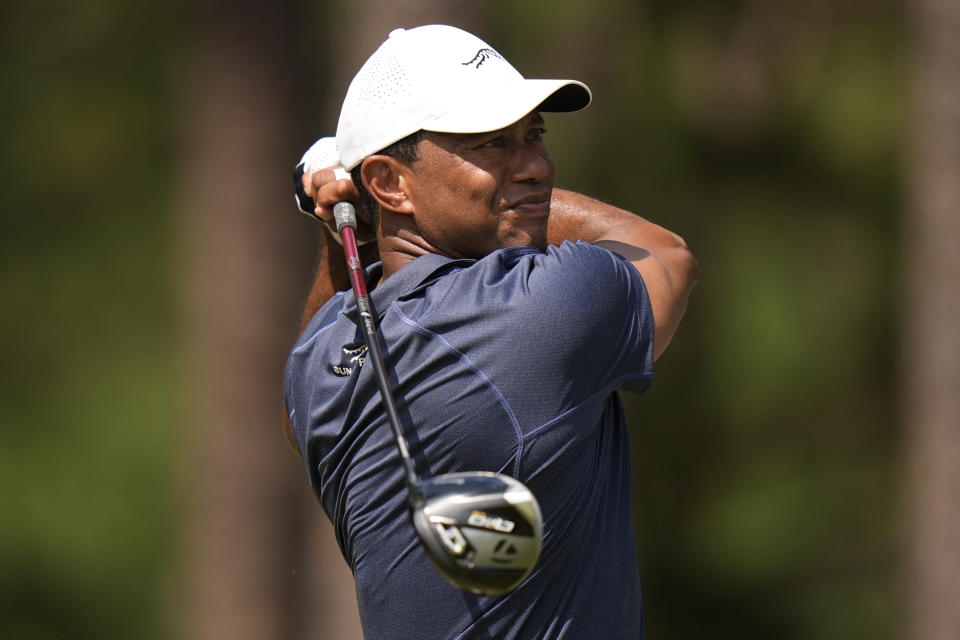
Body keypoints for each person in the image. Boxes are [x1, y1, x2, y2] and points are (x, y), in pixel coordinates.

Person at [283, 24, 698, 639]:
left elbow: (340, 303)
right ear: (390, 182)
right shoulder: (539, 311)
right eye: (490, 145)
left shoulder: (315, 369)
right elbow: (666, 254)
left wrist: (345, 216)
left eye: (534, 135)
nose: (537, 166)